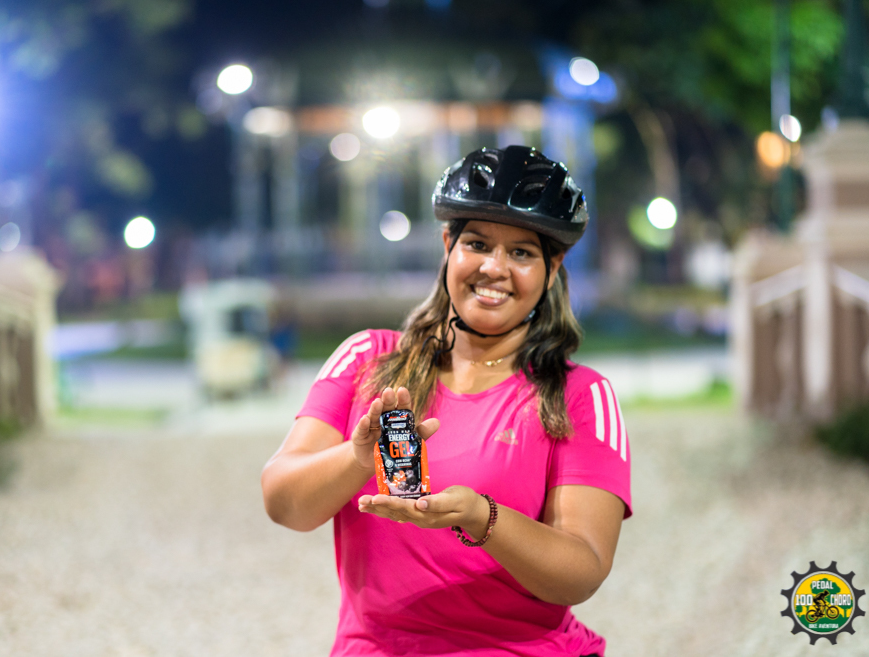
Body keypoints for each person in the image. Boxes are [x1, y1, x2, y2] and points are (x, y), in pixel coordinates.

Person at [262, 145, 631, 657]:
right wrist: (356, 455)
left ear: (553, 266)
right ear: (447, 245)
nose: (495, 269)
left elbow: (581, 572)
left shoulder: (580, 396)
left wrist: (483, 518)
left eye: (522, 252)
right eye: (477, 243)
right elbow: (284, 503)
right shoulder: (368, 358)